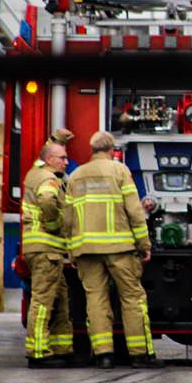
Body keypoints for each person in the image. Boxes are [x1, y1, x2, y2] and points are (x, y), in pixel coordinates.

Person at [65, 131, 158, 369]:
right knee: (132, 298)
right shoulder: (120, 172)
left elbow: (68, 218)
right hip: (119, 247)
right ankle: (139, 354)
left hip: (86, 249)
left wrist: (72, 249)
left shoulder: (76, 176)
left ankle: (103, 354)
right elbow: (135, 212)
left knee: (95, 299)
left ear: (92, 149)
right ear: (112, 150)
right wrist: (144, 244)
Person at [20, 141, 73, 367]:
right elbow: (48, 201)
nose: (66, 161)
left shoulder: (35, 173)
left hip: (43, 249)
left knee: (60, 297)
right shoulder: (47, 179)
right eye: (62, 158)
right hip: (46, 248)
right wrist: (55, 223)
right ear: (50, 159)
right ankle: (38, 351)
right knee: (42, 300)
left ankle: (61, 348)